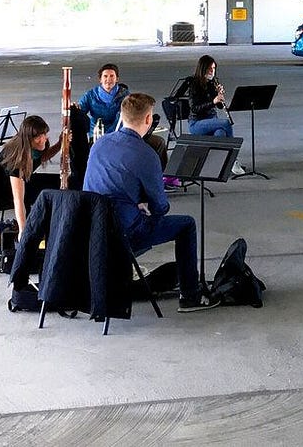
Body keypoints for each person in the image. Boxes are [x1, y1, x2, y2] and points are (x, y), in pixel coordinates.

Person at [84, 93, 220, 312]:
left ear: (122, 115)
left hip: (93, 232)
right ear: (148, 120)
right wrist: (144, 209)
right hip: (125, 234)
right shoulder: (146, 154)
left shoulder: (99, 145)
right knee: (186, 225)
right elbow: (160, 206)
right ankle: (190, 296)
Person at [76, 63, 178, 189]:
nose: (109, 79)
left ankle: (162, 179)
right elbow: (80, 115)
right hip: (99, 136)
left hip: (122, 134)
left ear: (117, 78)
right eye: (105, 76)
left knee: (159, 142)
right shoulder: (90, 95)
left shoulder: (125, 95)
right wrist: (75, 110)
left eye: (112, 76)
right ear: (100, 79)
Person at [0, 115, 63, 236]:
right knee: (51, 191)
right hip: (6, 190)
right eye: (38, 137)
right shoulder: (18, 160)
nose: (44, 139)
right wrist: (23, 230)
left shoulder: (32, 147)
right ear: (28, 139)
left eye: (44, 134)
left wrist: (60, 144)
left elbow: (42, 157)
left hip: (25, 180)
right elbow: (18, 200)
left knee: (58, 181)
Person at [181, 55, 234, 137]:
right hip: (197, 123)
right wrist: (213, 102)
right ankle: (233, 148)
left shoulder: (212, 83)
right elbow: (194, 108)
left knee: (220, 133)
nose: (212, 71)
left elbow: (219, 106)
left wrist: (219, 95)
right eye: (209, 68)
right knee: (226, 123)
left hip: (212, 119)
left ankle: (217, 150)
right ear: (203, 69)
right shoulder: (194, 84)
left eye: (214, 68)